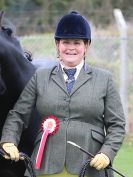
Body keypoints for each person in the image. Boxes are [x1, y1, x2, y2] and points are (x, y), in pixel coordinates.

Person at [0, 11, 125, 177]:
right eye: (65, 42)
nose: (71, 47)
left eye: (77, 42)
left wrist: (107, 153)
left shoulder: (104, 79)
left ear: (86, 46)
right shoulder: (40, 77)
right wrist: (8, 140)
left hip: (90, 167)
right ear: (57, 45)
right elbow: (18, 115)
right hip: (46, 166)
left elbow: (116, 124)